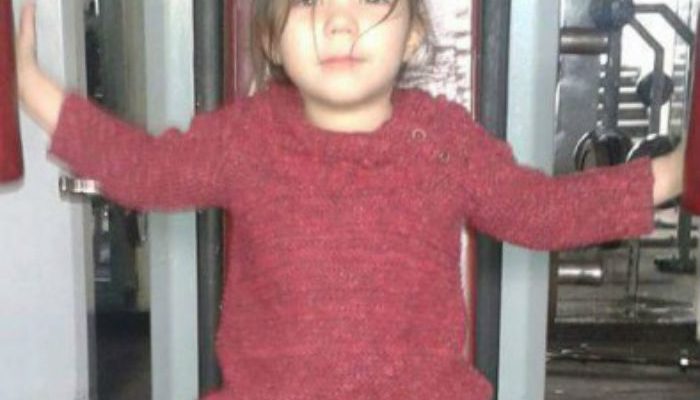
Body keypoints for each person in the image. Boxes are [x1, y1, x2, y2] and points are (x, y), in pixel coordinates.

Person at [16, 0, 685, 399]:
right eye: (309, 1)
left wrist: (676, 170)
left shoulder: (442, 142)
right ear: (272, 39)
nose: (340, 22)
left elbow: (542, 210)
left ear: (413, 33)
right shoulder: (245, 138)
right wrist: (29, 85)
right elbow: (143, 169)